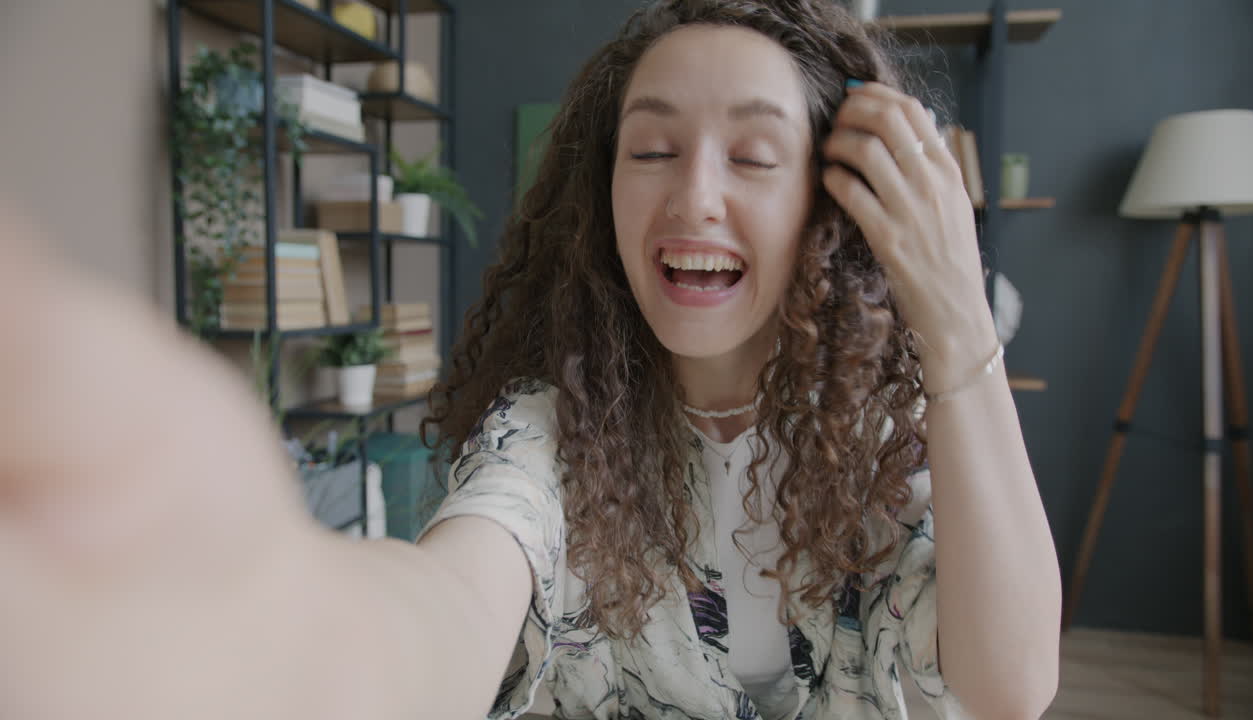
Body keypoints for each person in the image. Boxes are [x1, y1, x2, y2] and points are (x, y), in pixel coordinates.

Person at [0, 1, 1060, 718]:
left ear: (828, 206)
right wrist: (273, 620)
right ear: (603, 196)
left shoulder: (883, 440)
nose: (692, 194)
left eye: (751, 155)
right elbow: (446, 604)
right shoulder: (555, 433)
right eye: (650, 151)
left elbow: (1010, 685)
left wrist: (955, 317)